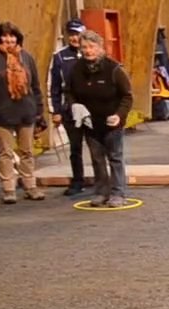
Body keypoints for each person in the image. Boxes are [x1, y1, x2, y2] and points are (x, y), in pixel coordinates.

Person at [62, 30, 133, 207]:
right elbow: (69, 91)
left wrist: (119, 115)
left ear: (100, 47)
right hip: (89, 123)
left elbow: (127, 96)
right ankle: (101, 191)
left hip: (112, 122)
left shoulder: (114, 69)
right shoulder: (76, 69)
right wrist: (73, 105)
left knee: (115, 157)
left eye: (92, 47)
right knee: (97, 158)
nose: (88, 51)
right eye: (84, 47)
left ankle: (118, 193)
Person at [0, 21, 45, 204]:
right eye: (5, 36)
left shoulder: (26, 57)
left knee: (27, 151)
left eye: (12, 36)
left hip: (26, 110)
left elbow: (35, 86)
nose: (8, 39)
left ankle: (30, 185)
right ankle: (8, 188)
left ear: (18, 38)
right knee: (5, 153)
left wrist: (40, 111)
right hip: (2, 113)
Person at [50, 19, 87, 195]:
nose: (74, 38)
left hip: (91, 108)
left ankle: (103, 180)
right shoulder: (59, 56)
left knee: (98, 146)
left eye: (77, 34)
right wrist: (56, 110)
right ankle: (78, 181)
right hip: (70, 109)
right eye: (71, 34)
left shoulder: (91, 52)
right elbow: (55, 86)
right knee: (75, 148)